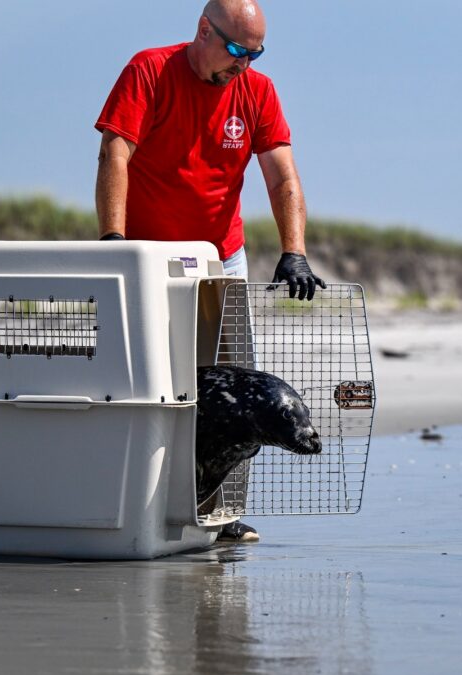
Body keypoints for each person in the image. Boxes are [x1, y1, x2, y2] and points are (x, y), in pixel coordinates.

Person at [95, 0, 325, 542]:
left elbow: (282, 177)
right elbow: (115, 153)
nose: (244, 64)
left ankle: (220, 513)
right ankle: (142, 502)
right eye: (237, 51)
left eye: (256, 54)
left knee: (234, 393)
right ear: (204, 30)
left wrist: (294, 250)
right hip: (147, 258)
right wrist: (113, 244)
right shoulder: (150, 70)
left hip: (220, 255)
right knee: (155, 382)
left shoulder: (257, 91)